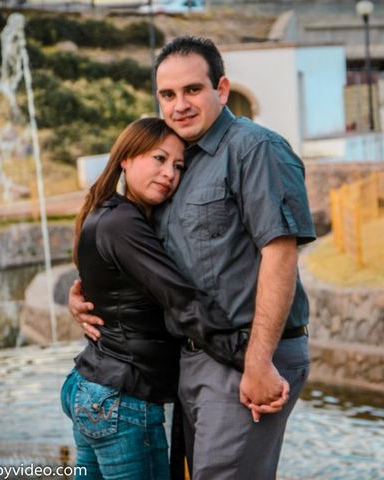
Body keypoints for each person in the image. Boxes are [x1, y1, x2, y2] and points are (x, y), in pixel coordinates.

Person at [70, 36, 316, 479]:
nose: (179, 104)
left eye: (192, 90)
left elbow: (280, 254)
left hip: (244, 353)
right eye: (168, 94)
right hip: (193, 358)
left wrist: (258, 363)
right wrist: (88, 300)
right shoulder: (181, 163)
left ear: (221, 89)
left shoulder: (254, 148)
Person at [61, 117, 247, 480]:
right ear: (126, 159)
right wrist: (247, 358)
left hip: (90, 388)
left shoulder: (108, 213)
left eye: (178, 166)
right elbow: (181, 300)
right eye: (159, 159)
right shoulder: (122, 222)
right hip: (122, 398)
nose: (170, 173)